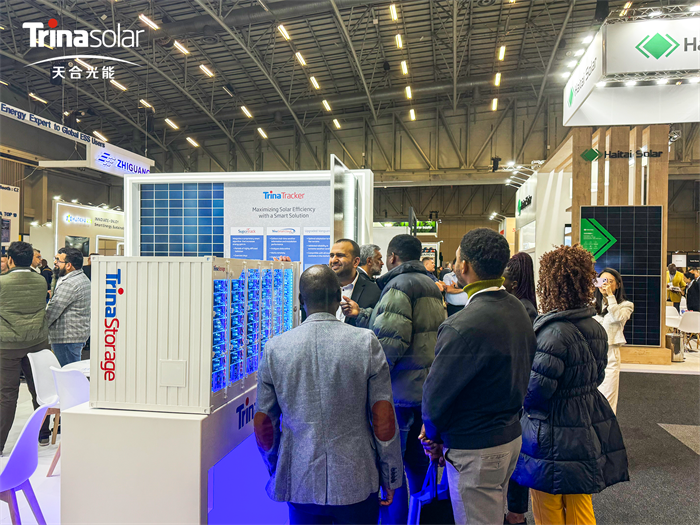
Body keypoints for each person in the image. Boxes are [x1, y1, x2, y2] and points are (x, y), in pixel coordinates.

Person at [254, 265, 403, 525]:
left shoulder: (275, 348)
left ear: (301, 300)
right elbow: (384, 419)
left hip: (299, 479)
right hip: (357, 479)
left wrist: (278, 467)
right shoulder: (365, 342)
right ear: (338, 297)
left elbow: (264, 424)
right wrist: (390, 475)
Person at [420, 228, 537, 525]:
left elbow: (436, 396)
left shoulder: (462, 324)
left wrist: (432, 436)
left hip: (476, 449)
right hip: (509, 437)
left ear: (464, 266)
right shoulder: (518, 308)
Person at [512, 245, 629, 525]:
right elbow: (597, 376)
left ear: (549, 283)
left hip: (550, 430)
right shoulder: (595, 327)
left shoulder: (552, 333)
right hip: (584, 425)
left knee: (547, 504)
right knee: (580, 500)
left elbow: (536, 390)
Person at [342, 234, 445, 525]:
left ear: (392, 257)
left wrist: (369, 382)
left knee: (391, 472)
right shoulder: (429, 284)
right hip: (421, 391)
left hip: (397, 394)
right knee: (417, 467)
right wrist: (363, 314)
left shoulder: (399, 285)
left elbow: (389, 343)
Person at [0, 241, 51, 454]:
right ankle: (44, 434)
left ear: (10, 259)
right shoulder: (40, 280)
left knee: (7, 394)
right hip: (37, 342)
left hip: (8, 345)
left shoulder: (2, 282)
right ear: (31, 259)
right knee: (39, 390)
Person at [502, 251, 538, 525]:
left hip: (517, 393)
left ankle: (516, 516)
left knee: (517, 460)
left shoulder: (522, 310)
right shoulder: (526, 307)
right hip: (520, 391)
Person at [594, 268, 634, 414]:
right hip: (591, 352)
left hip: (610, 354)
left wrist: (610, 296)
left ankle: (607, 427)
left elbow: (618, 318)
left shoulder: (626, 305)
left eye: (610, 281)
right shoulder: (591, 304)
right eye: (602, 281)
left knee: (608, 397)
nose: (606, 284)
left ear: (617, 285)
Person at [46, 247, 91, 366]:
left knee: (68, 372)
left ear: (68, 265)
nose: (55, 262)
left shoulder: (70, 283)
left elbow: (53, 311)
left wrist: (39, 329)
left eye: (58, 260)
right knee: (73, 370)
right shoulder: (81, 278)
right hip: (75, 336)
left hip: (66, 338)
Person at [328, 239, 380, 326]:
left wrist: (359, 314)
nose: (333, 260)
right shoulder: (321, 288)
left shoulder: (374, 292)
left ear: (355, 262)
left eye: (340, 255)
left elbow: (378, 326)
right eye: (332, 256)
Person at [503, 252, 538, 324]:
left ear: (514, 284)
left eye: (503, 279)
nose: (500, 283)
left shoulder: (526, 309)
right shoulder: (511, 303)